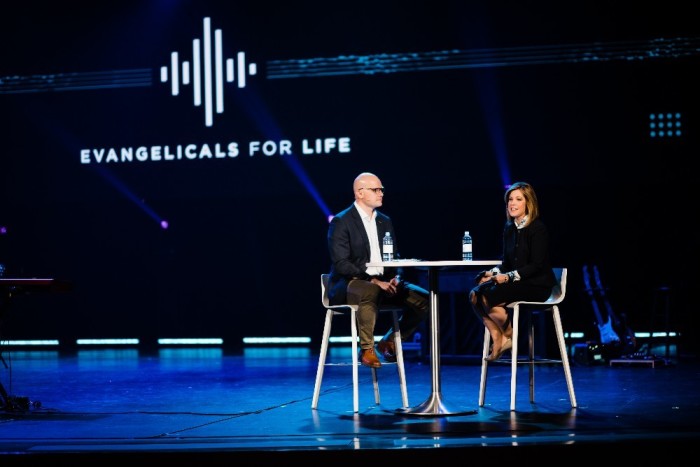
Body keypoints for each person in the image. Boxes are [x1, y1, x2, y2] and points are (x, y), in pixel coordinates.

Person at [327, 172, 429, 368]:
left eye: (381, 189)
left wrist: (396, 277)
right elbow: (342, 263)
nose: (381, 193)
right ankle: (366, 349)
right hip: (351, 283)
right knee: (370, 290)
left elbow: (395, 257)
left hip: (384, 282)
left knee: (426, 299)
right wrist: (373, 280)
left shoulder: (385, 221)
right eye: (375, 189)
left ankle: (388, 341)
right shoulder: (342, 221)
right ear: (360, 193)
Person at [469, 181, 556, 361]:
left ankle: (509, 335)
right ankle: (498, 337)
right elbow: (507, 263)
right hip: (518, 282)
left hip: (538, 285)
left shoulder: (537, 228)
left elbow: (536, 265)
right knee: (475, 295)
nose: (512, 203)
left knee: (489, 296)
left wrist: (507, 277)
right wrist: (491, 274)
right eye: (510, 199)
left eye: (518, 199)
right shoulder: (509, 228)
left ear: (528, 203)